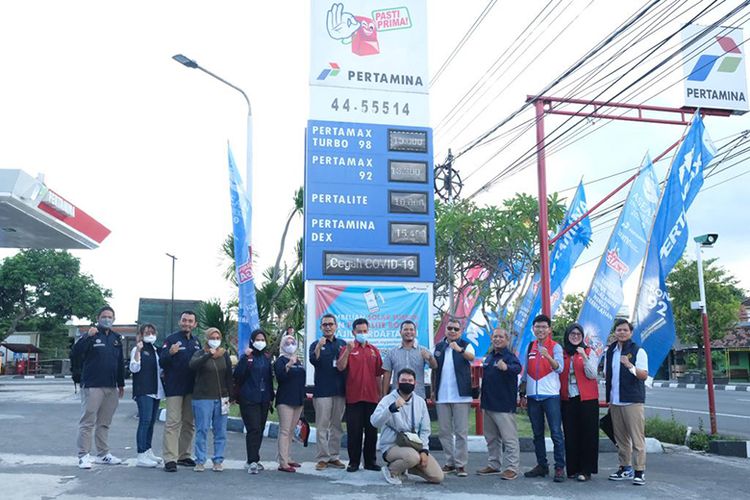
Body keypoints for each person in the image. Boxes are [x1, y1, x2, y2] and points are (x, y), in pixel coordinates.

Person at [370, 368, 444, 485]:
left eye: (410, 380)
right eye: (403, 380)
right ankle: (392, 470)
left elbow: (425, 429)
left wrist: (424, 451)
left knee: (437, 477)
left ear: (415, 383)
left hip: (413, 445)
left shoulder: (420, 402)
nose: (407, 383)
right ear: (397, 383)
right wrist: (391, 408)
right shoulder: (388, 399)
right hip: (391, 445)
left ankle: (406, 467)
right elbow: (374, 422)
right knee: (413, 457)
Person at [73, 306, 125, 469]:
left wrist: (121, 383)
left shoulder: (116, 338)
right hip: (92, 385)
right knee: (88, 421)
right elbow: (75, 352)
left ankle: (103, 454)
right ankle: (83, 455)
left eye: (110, 317)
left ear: (114, 319)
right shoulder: (91, 335)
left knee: (104, 422)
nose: (107, 319)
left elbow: (119, 362)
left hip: (111, 386)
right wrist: (87, 337)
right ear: (98, 317)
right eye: (104, 316)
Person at [519, 313, 566, 482]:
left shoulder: (555, 347)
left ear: (549, 329)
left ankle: (559, 467)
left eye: (543, 327)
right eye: (537, 327)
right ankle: (542, 465)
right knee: (537, 433)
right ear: (533, 329)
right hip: (533, 397)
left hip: (551, 396)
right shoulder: (530, 346)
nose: (540, 330)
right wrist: (522, 393)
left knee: (556, 433)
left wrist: (547, 355)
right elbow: (525, 374)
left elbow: (559, 368)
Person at [605, 318, 648, 486]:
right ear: (615, 333)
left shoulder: (638, 351)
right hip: (615, 400)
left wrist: (630, 365)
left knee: (637, 439)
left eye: (625, 330)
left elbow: (643, 375)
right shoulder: (611, 351)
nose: (621, 333)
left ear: (630, 333)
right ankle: (625, 468)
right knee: (621, 439)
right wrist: (609, 399)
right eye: (619, 330)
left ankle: (639, 471)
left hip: (632, 401)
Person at [337, 317, 383, 472]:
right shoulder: (347, 348)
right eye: (359, 331)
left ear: (368, 331)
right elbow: (340, 367)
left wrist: (381, 395)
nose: (362, 333)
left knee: (371, 431)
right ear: (353, 332)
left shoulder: (374, 350)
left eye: (364, 331)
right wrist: (348, 351)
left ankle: (370, 462)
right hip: (354, 397)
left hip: (372, 398)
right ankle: (354, 462)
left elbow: (378, 374)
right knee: (354, 432)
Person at [432, 317, 475, 477]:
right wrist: (433, 391)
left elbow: (471, 357)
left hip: (461, 395)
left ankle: (461, 464)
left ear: (460, 331)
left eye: (456, 329)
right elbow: (434, 368)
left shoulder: (465, 345)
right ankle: (450, 462)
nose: (452, 331)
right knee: (444, 432)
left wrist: (459, 349)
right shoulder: (438, 347)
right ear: (445, 329)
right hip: (442, 396)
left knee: (461, 432)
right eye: (450, 328)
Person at [159, 310, 202, 472]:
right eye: (184, 320)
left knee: (189, 423)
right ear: (180, 322)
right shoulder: (171, 340)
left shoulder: (197, 342)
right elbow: (162, 361)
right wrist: (170, 353)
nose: (187, 323)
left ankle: (184, 455)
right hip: (175, 388)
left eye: (190, 321)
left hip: (192, 388)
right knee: (173, 423)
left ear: (195, 324)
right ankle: (170, 458)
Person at [477, 328, 521, 480]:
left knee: (509, 439)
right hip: (488, 404)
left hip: (503, 406)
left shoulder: (509, 357)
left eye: (501, 337)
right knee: (491, 438)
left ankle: (512, 468)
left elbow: (517, 369)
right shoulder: (490, 356)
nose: (497, 339)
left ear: (507, 340)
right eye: (495, 336)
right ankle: (494, 464)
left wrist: (506, 367)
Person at [188, 327, 232, 472]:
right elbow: (192, 366)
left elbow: (228, 375)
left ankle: (218, 460)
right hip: (203, 398)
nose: (215, 341)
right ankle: (200, 460)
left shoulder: (224, 354)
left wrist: (230, 395)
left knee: (220, 431)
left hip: (221, 398)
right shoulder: (199, 353)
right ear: (207, 339)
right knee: (202, 429)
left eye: (217, 338)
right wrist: (207, 355)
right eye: (212, 338)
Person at [560, 322, 600, 482]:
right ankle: (573, 468)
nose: (575, 337)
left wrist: (583, 355)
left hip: (587, 399)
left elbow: (592, 374)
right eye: (572, 334)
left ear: (582, 337)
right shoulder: (562, 353)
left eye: (578, 334)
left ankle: (586, 470)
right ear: (567, 336)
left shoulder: (590, 352)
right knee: (570, 433)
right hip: (568, 398)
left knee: (588, 434)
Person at [309, 314, 347, 471]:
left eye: (331, 324)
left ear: (336, 326)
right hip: (322, 391)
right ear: (321, 327)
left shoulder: (342, 344)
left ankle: (334, 456)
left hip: (339, 391)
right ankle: (322, 458)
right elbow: (314, 361)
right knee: (322, 425)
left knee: (336, 426)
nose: (328, 327)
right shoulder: (315, 344)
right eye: (325, 325)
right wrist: (319, 346)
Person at [234, 329, 274, 474]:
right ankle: (252, 461)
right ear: (252, 341)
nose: (260, 342)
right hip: (249, 398)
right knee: (254, 429)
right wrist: (245, 358)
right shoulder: (247, 357)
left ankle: (255, 458)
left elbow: (269, 378)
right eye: (257, 339)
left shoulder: (267, 357)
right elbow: (237, 375)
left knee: (260, 429)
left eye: (262, 340)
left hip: (264, 399)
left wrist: (270, 398)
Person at [129, 323, 165, 468]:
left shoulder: (156, 350)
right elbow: (134, 368)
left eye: (152, 332)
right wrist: (138, 350)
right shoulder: (137, 349)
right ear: (141, 335)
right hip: (144, 390)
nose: (150, 335)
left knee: (151, 422)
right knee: (144, 421)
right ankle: (141, 453)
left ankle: (148, 450)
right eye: (146, 332)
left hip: (156, 391)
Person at [382, 320, 437, 399]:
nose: (409, 332)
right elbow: (387, 374)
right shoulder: (392, 352)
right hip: (396, 396)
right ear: (400, 332)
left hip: (418, 395)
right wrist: (384, 395)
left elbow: (434, 367)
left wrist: (430, 358)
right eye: (406, 329)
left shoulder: (423, 351)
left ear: (415, 332)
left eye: (411, 330)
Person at [274, 334, 306, 472]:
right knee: (285, 431)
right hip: (285, 400)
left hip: (298, 399)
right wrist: (289, 364)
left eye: (292, 342)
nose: (290, 344)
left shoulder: (298, 360)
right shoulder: (280, 361)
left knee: (292, 431)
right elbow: (280, 378)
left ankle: (288, 457)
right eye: (287, 342)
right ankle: (282, 462)